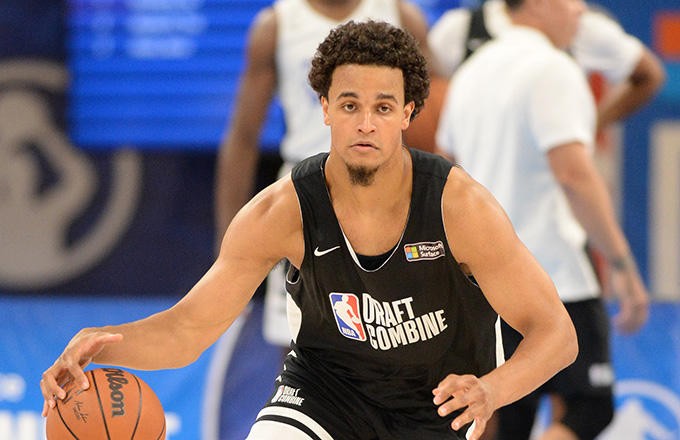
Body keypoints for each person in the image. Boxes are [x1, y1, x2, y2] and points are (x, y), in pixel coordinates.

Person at [41, 21, 578, 440]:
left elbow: (557, 334)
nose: (365, 123)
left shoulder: (459, 207)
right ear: (324, 109)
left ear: (408, 113)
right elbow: (188, 331)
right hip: (323, 393)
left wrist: (491, 390)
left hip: (432, 406)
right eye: (349, 104)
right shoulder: (283, 211)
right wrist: (96, 346)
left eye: (383, 107)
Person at [436, 1, 650, 439]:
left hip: (484, 283)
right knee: (589, 407)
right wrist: (622, 263)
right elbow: (573, 174)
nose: (580, 11)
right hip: (553, 276)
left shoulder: (470, 74)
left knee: (507, 416)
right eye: (570, 0)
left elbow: (446, 171)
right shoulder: (553, 68)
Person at [214, 0, 433, 348]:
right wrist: (229, 252)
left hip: (385, 194)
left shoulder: (402, 16)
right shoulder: (276, 26)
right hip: (305, 198)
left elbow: (433, 123)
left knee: (398, 335)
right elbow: (243, 138)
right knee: (296, 342)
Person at [425, 0, 665, 146]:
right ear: (536, 3)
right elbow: (441, 125)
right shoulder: (458, 29)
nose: (580, 7)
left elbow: (649, 74)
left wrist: (586, 129)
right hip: (479, 183)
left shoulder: (581, 27)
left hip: (550, 190)